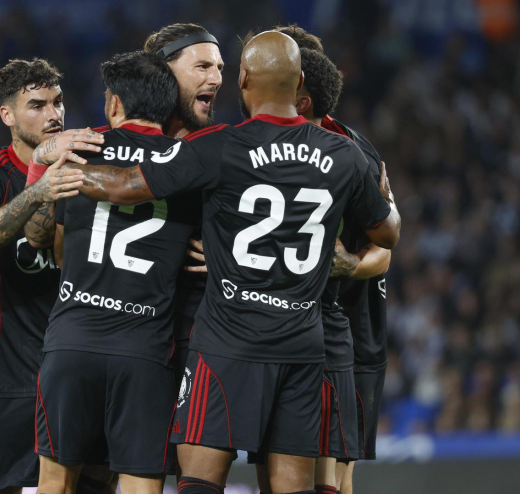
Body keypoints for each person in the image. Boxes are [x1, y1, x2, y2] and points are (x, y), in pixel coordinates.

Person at [57, 32, 401, 494]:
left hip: (225, 344)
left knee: (198, 485)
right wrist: (384, 210)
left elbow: (122, 186)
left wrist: (55, 166)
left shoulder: (222, 145)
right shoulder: (345, 155)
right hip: (301, 347)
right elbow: (388, 233)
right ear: (299, 80)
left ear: (242, 79)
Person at [35, 50, 199, 494]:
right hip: (145, 350)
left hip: (72, 341)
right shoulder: (189, 160)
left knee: (54, 484)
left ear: (113, 105)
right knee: (141, 486)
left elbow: (55, 248)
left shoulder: (80, 150)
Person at [0, 58, 113, 494]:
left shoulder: (92, 167)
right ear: (7, 115)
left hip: (82, 375)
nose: (53, 115)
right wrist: (39, 190)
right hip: (9, 382)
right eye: (37, 105)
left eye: (58, 102)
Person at [273, 25, 394, 494]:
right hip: (304, 329)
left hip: (349, 331)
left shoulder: (353, 153)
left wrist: (346, 266)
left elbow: (382, 249)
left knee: (333, 475)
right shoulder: (285, 147)